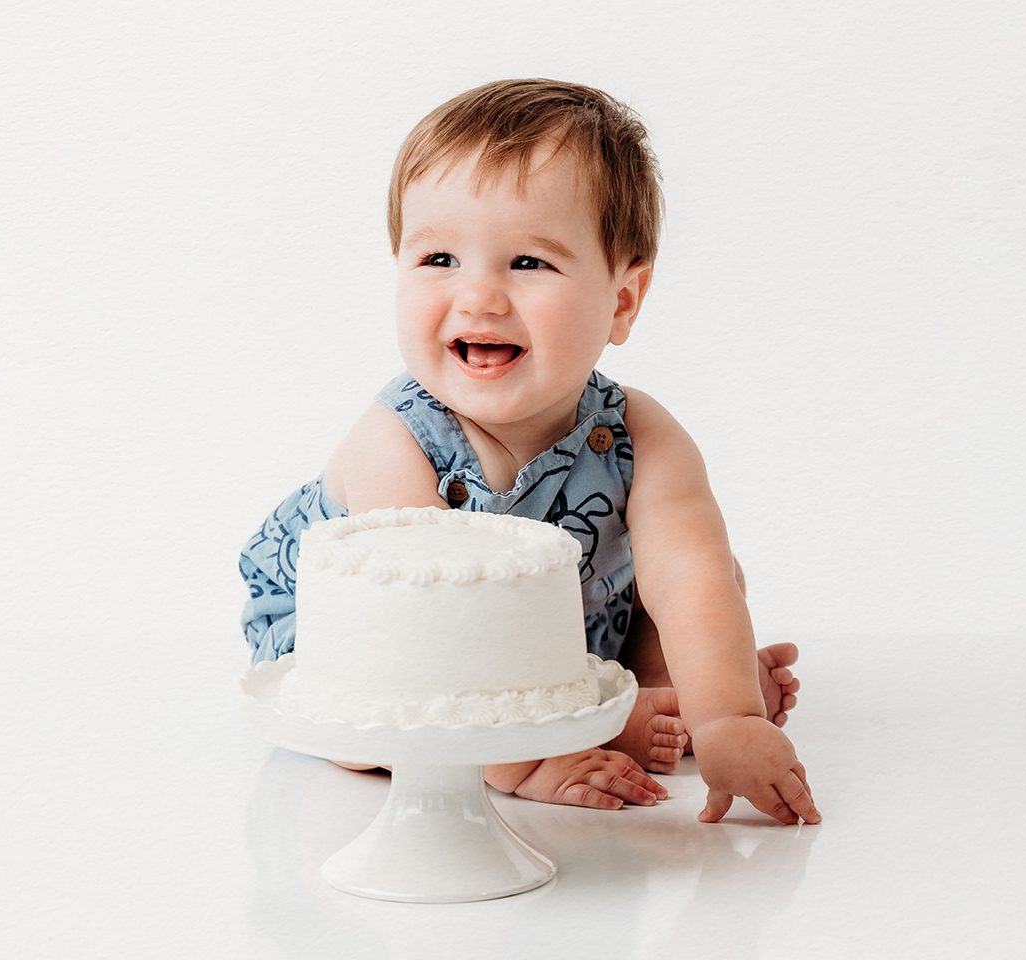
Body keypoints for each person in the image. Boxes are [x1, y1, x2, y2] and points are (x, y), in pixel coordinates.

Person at [239, 78, 820, 826]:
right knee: (374, 730)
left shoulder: (641, 433)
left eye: (527, 264)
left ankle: (665, 696)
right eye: (439, 259)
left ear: (621, 302)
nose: (478, 297)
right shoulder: (394, 443)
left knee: (706, 576)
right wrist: (525, 759)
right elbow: (430, 632)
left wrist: (730, 716)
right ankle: (582, 726)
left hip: (555, 630)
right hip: (384, 645)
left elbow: (689, 575)